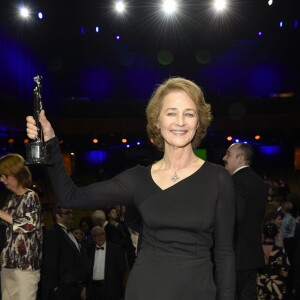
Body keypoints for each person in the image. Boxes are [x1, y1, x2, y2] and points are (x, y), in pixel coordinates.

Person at [26, 76, 236, 299]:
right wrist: (49, 140)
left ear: (199, 121)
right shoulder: (137, 179)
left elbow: (225, 254)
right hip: (145, 289)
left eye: (189, 113)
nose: (180, 122)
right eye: (171, 112)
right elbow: (70, 197)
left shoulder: (218, 179)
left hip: (197, 291)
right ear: (157, 121)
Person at [223, 143, 267, 300]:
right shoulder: (259, 182)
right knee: (248, 294)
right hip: (252, 252)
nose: (224, 158)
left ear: (240, 159)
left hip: (237, 253)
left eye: (228, 154)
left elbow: (235, 216)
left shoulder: (237, 181)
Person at [0, 154, 42, 300]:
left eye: (5, 176)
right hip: (7, 263)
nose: (2, 180)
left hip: (26, 265)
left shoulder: (31, 196)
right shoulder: (10, 200)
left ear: (16, 174)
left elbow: (28, 225)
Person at [40, 205, 89, 300]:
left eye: (72, 213)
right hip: (62, 289)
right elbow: (49, 261)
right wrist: (55, 286)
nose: (71, 215)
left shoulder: (71, 234)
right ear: (57, 216)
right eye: (67, 213)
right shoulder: (52, 233)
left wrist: (82, 285)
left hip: (74, 287)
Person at [86, 226, 125, 300]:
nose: (100, 237)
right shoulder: (88, 250)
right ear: (93, 238)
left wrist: (116, 286)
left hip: (110, 288)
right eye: (97, 235)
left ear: (105, 235)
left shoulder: (116, 249)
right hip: (92, 289)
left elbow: (121, 268)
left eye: (102, 234)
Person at [257, 222, 290, 299]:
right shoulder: (281, 251)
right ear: (275, 234)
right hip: (277, 286)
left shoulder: (257, 250)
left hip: (260, 284)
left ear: (263, 234)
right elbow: (285, 274)